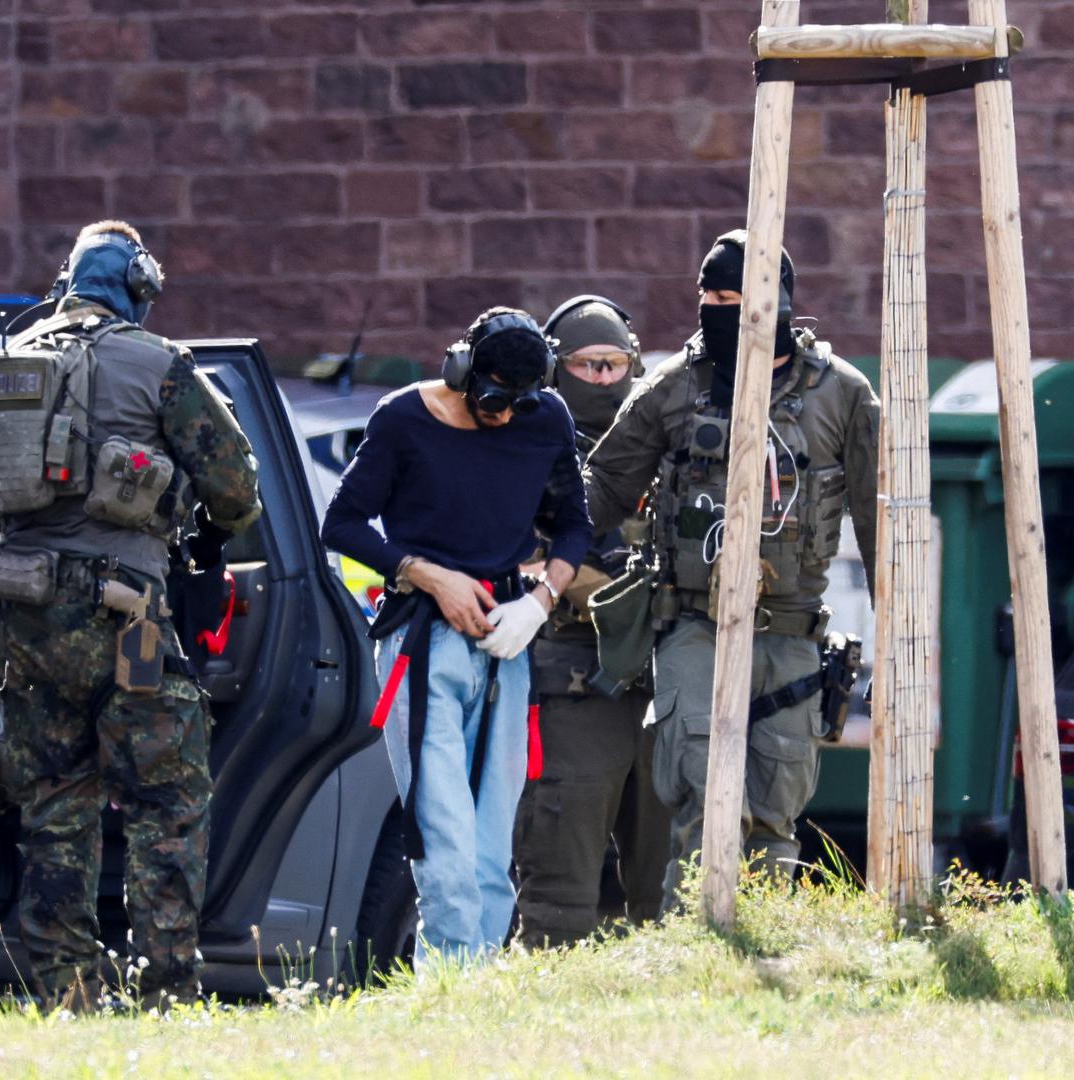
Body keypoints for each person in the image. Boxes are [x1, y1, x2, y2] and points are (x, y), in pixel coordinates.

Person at [0, 220, 261, 1010]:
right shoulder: (159, 362)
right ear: (139, 283)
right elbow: (236, 489)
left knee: (51, 806)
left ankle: (68, 995)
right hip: (127, 615)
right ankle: (166, 993)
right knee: (166, 803)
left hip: (28, 615)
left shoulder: (8, 359)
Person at [583, 230, 879, 900]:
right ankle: (697, 949)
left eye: (734, 298)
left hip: (791, 631)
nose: (717, 310)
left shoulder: (842, 395)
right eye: (709, 296)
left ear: (775, 303)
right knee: (700, 793)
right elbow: (598, 490)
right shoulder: (674, 386)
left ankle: (761, 944)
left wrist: (901, 657)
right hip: (693, 623)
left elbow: (880, 520)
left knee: (774, 810)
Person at [321, 307, 593, 968]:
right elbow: (343, 523)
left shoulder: (546, 418)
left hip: (507, 641)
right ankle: (449, 982)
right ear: (463, 369)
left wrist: (540, 600)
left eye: (518, 404)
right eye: (494, 399)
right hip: (423, 643)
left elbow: (574, 528)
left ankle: (477, 990)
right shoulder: (402, 420)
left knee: (492, 840)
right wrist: (430, 575)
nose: (503, 416)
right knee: (442, 836)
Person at [512, 296, 670, 948]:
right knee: (558, 893)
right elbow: (519, 550)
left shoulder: (666, 444)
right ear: (556, 369)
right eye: (587, 365)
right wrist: (613, 595)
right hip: (576, 684)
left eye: (616, 365)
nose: (604, 379)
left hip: (665, 686)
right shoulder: (526, 446)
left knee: (671, 898)